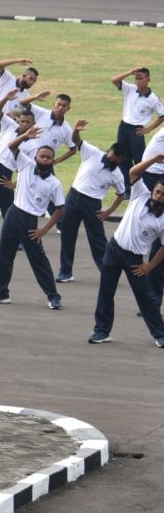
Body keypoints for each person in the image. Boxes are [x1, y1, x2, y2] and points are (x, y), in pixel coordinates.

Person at [0, 125, 65, 309]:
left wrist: (44, 229)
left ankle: (53, 296)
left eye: (48, 157)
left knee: (38, 260)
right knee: (5, 254)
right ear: (36, 157)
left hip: (31, 221)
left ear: (52, 161)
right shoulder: (26, 165)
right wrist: (26, 135)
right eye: (41, 156)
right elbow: (11, 146)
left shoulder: (54, 184)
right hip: (14, 213)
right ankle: (1, 292)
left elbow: (59, 209)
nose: (44, 159)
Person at [88, 153, 164, 348]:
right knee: (106, 291)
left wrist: (149, 266)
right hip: (114, 249)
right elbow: (133, 171)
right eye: (158, 192)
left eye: (163, 195)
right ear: (153, 191)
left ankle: (160, 334)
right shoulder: (140, 194)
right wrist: (155, 159)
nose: (159, 196)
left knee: (145, 298)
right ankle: (101, 331)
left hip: (135, 260)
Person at [56, 121, 125, 284]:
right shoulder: (92, 152)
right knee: (67, 235)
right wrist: (76, 130)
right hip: (74, 196)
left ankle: (108, 271)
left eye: (115, 160)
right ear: (108, 151)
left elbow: (121, 194)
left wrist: (108, 211)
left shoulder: (117, 175)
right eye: (110, 157)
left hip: (92, 204)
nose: (111, 161)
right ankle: (65, 272)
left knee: (97, 240)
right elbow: (76, 140)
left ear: (121, 160)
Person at [0, 89, 38, 249]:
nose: (24, 124)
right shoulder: (9, 125)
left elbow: (30, 169)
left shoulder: (33, 144)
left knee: (9, 208)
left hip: (5, 172)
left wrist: (15, 183)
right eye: (23, 121)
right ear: (19, 121)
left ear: (33, 125)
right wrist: (5, 98)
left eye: (28, 123)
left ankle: (18, 239)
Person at [112, 67, 163, 199]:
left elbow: (162, 115)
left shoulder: (152, 98)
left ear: (148, 79)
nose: (138, 81)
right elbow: (114, 80)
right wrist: (129, 72)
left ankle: (144, 187)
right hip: (123, 127)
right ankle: (127, 190)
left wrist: (149, 129)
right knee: (123, 158)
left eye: (141, 78)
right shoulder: (130, 89)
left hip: (137, 130)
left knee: (140, 160)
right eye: (136, 78)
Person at [0, 58, 38, 162]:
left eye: (34, 81)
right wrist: (18, 61)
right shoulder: (8, 79)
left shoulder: (26, 96)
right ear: (24, 76)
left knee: (1, 151)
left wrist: (15, 113)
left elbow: (21, 112)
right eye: (31, 79)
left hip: (10, 125)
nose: (32, 83)